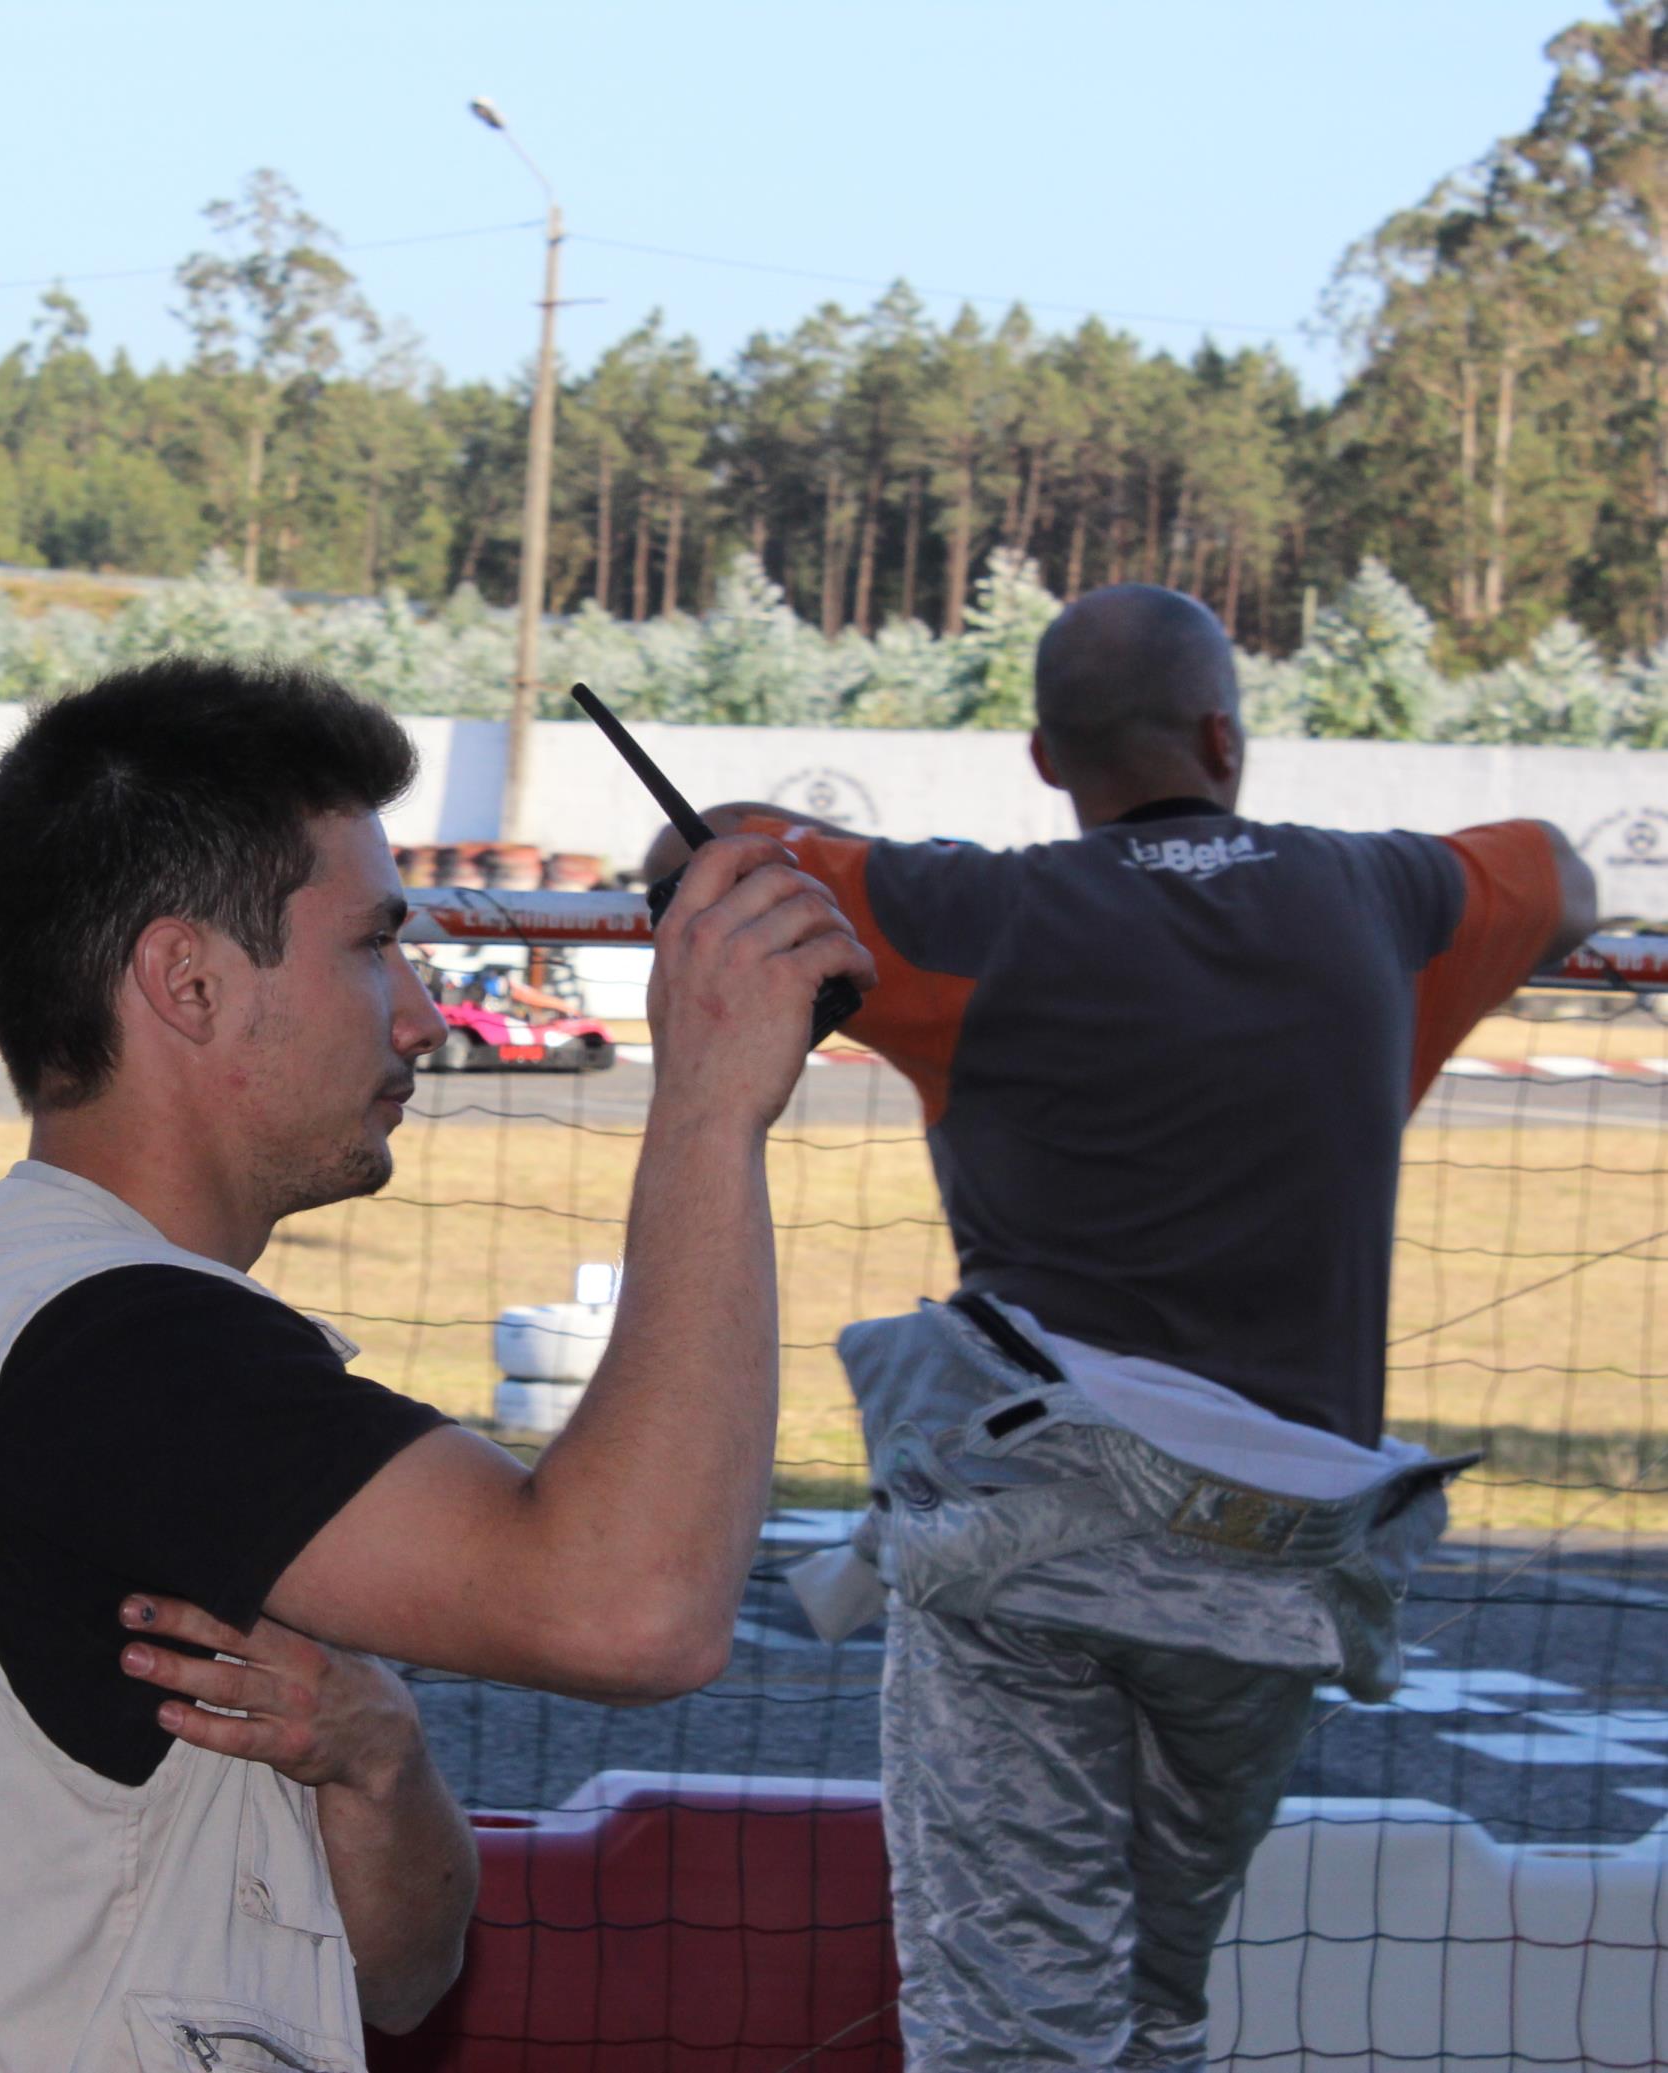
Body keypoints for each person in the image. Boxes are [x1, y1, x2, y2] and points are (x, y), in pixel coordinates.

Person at [0, 656, 872, 2072]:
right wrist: (707, 1107)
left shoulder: (26, 1306)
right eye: (369, 945)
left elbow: (397, 1979)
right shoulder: (123, 1349)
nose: (420, 1016)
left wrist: (377, 1761)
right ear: (186, 979)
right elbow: (634, 1610)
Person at [642, 584, 1600, 2071]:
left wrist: (757, 817)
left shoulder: (972, 911)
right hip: (1281, 1559)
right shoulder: (1384, 896)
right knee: (1152, 2003)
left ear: (1042, 755)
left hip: (1033, 1544)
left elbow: (705, 850)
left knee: (1011, 2019)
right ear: (1224, 731)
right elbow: (1559, 868)